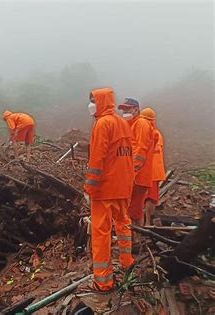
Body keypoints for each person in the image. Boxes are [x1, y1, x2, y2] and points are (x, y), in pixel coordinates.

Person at [84, 87, 134, 292]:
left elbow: (97, 158)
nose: (90, 105)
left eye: (93, 100)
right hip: (123, 186)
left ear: (101, 101)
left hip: (105, 189)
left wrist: (89, 187)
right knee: (123, 226)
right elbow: (127, 155)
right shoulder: (122, 123)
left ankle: (103, 282)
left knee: (101, 233)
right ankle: (127, 262)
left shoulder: (103, 124)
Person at [118, 98, 155, 244]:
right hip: (134, 175)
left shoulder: (141, 124)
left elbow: (140, 150)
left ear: (135, 110)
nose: (124, 112)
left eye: (127, 109)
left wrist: (132, 172)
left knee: (132, 210)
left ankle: (135, 242)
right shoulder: (131, 125)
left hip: (138, 176)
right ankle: (134, 242)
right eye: (123, 109)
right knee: (132, 209)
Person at [140, 107, 165, 225]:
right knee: (149, 198)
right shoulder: (157, 133)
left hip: (148, 170)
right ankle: (146, 223)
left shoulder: (147, 132)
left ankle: (146, 224)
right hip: (154, 171)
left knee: (145, 198)